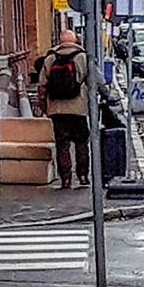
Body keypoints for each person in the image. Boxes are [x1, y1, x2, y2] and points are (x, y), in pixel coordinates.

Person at [41, 29, 90, 189]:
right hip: (78, 109)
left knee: (62, 145)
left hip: (57, 109)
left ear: (60, 41)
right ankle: (83, 176)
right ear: (75, 40)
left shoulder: (50, 58)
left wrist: (44, 106)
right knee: (82, 143)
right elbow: (94, 80)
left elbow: (42, 85)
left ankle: (66, 179)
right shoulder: (82, 57)